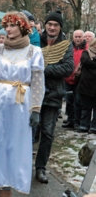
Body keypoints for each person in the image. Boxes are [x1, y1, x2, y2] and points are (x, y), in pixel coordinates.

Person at [0, 11, 44, 197]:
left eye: (12, 25)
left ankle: (6, 185)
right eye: (6, 26)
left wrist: (36, 109)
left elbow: (38, 82)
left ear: (22, 27)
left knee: (13, 146)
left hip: (21, 104)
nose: (8, 29)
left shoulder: (34, 51)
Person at [35, 10, 73, 184]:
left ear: (60, 27)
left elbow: (67, 68)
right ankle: (20, 165)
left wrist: (44, 68)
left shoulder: (66, 45)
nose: (52, 27)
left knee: (48, 133)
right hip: (33, 93)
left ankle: (40, 168)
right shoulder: (35, 40)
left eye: (56, 25)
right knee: (28, 130)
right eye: (49, 24)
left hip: (53, 95)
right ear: (45, 25)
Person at [62, 30, 87, 130]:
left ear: (83, 37)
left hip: (79, 80)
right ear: (73, 37)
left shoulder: (86, 49)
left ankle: (77, 121)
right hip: (67, 78)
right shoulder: (68, 48)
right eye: (76, 36)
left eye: (79, 36)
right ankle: (70, 120)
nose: (77, 38)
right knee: (69, 101)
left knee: (78, 102)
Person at [77, 38, 96, 133]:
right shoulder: (86, 53)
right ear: (92, 44)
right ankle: (84, 125)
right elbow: (86, 62)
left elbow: (91, 63)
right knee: (86, 107)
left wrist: (93, 61)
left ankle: (94, 127)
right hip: (86, 85)